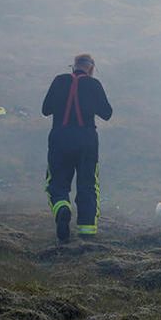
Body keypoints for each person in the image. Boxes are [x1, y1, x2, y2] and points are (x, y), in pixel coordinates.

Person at [41, 53, 113, 242]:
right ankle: (87, 233)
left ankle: (62, 208)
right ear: (91, 68)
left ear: (73, 66)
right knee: (88, 185)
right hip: (87, 140)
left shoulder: (59, 81)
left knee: (56, 183)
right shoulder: (94, 85)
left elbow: (45, 109)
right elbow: (107, 113)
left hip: (60, 138)